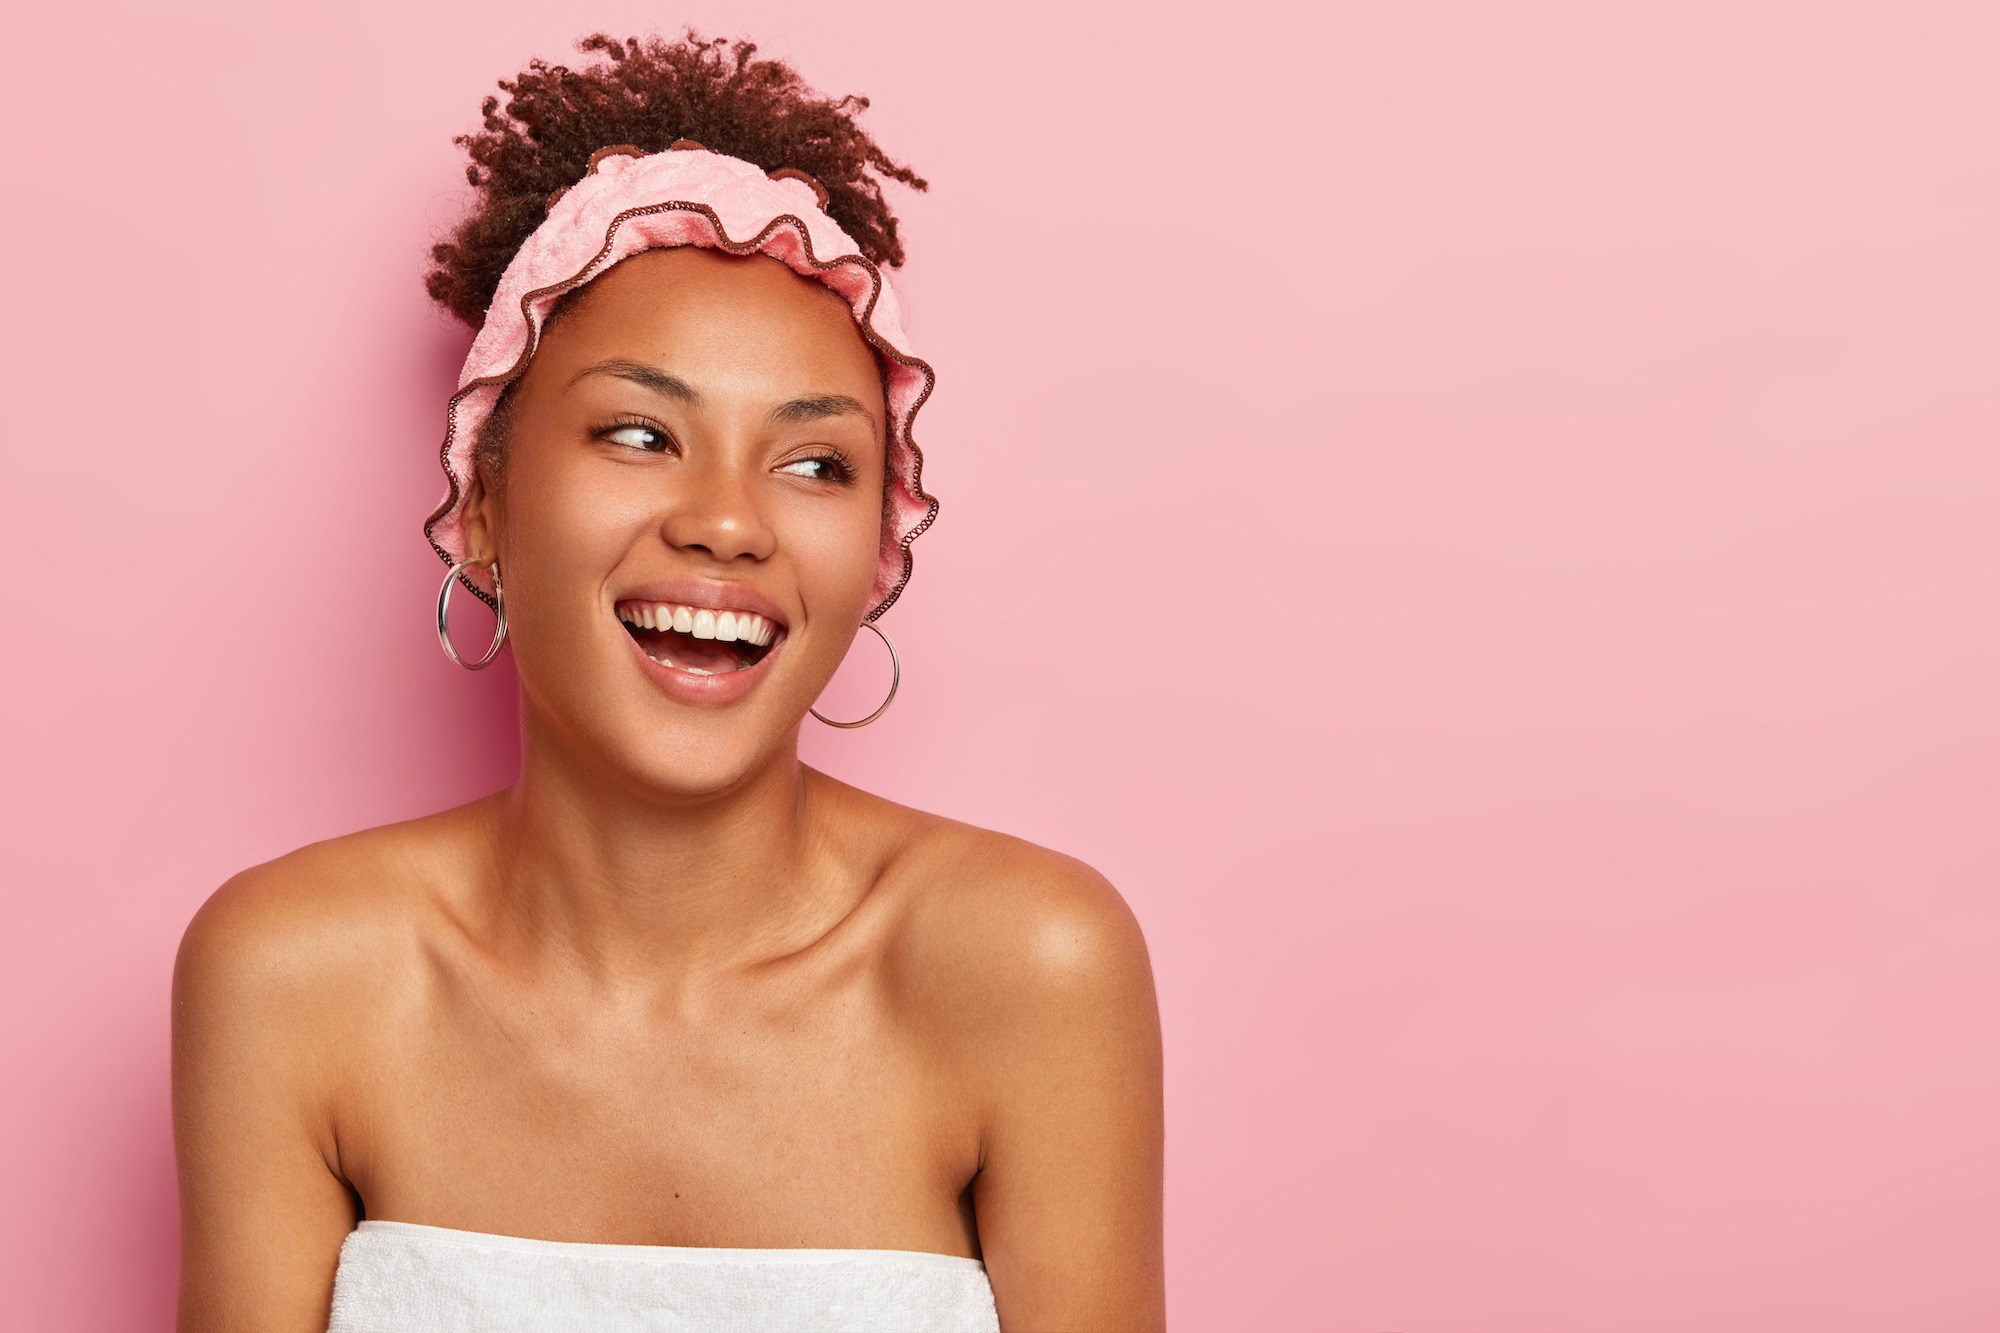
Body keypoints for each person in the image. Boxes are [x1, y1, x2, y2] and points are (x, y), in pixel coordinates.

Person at [169, 31, 1164, 1333]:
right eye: (640, 434)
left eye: (814, 464)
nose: (729, 523)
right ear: (480, 505)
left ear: (878, 552)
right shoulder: (294, 977)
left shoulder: (1032, 968)